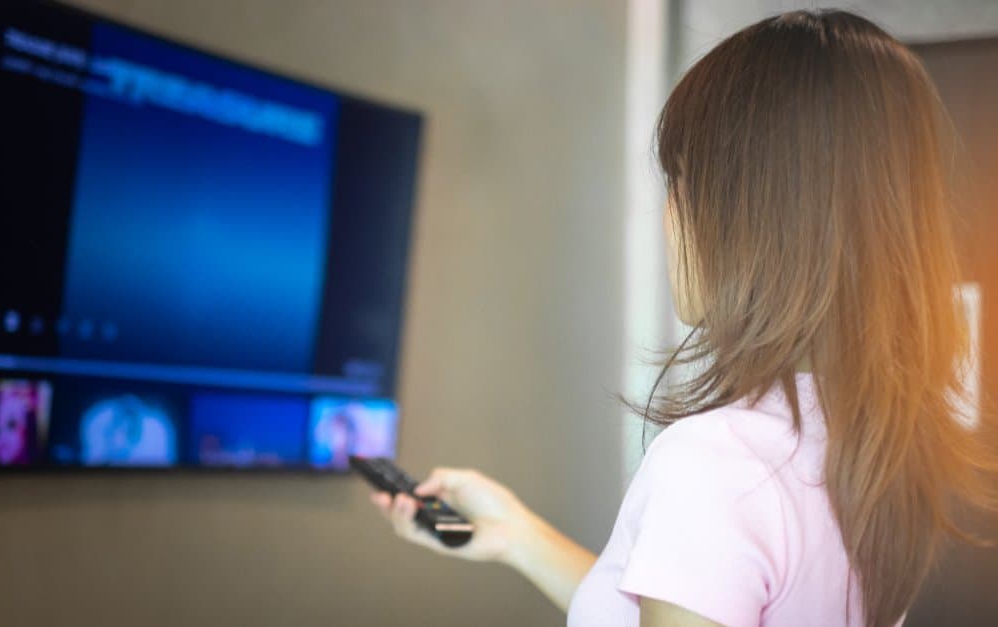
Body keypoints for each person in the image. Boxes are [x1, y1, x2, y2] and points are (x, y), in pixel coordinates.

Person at [368, 10, 994, 627]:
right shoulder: (877, 449)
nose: (667, 215)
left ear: (754, 213)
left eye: (681, 179)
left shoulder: (714, 460)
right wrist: (518, 538)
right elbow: (690, 593)